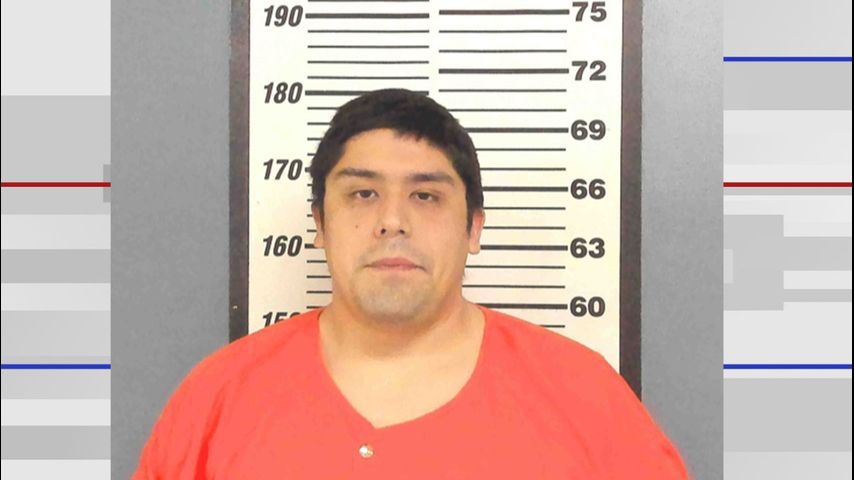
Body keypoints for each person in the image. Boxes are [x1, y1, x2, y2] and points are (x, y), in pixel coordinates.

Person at [132, 88, 689, 479]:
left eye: (426, 195)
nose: (392, 220)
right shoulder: (215, 399)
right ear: (320, 224)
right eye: (363, 193)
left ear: (473, 228)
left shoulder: (585, 399)